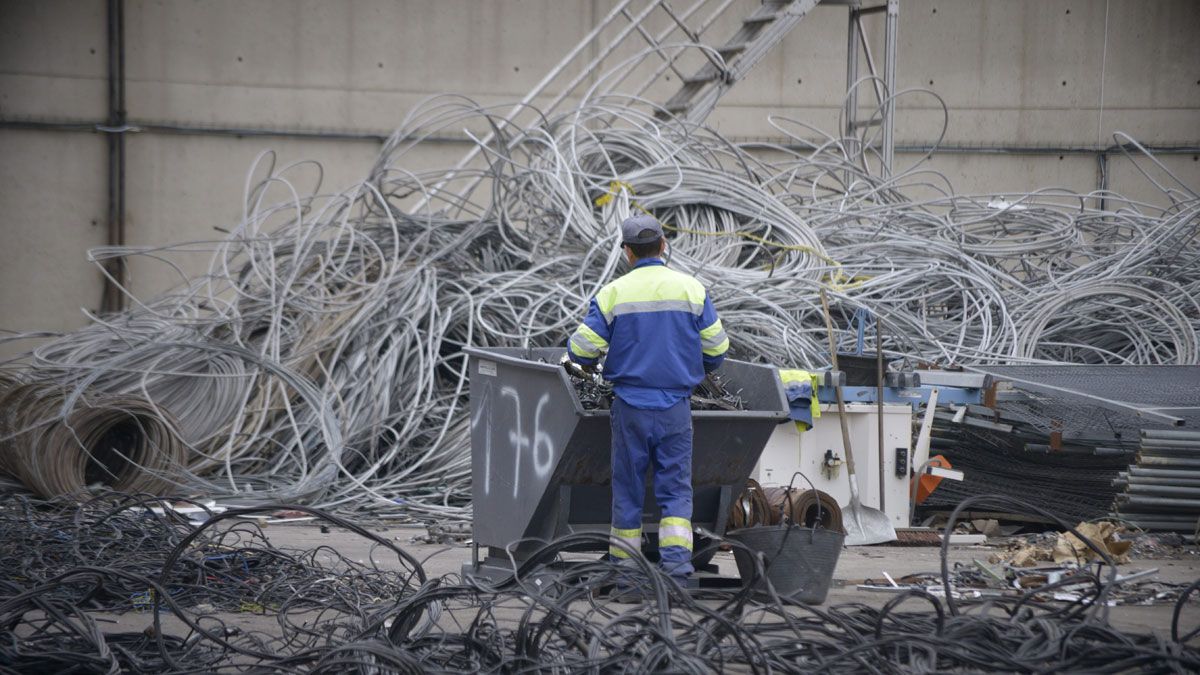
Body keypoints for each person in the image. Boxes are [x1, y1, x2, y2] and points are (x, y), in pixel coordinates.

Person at [566, 213, 729, 584]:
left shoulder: (613, 294)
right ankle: (676, 569)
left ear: (627, 252)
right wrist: (692, 365)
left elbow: (580, 350)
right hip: (675, 406)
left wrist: (589, 361)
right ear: (664, 246)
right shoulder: (692, 291)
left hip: (630, 407)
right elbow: (718, 349)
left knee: (628, 488)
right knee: (675, 489)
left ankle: (624, 569)